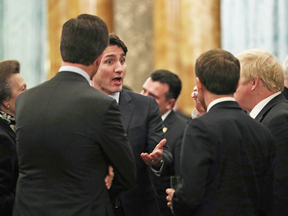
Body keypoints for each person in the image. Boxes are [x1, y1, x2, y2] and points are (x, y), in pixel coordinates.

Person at [12, 14, 136, 216]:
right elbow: (128, 175)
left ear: (63, 49)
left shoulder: (25, 100)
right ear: (98, 56)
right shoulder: (101, 105)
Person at [166, 49, 275, 216]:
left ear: (199, 83)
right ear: (237, 83)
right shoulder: (262, 130)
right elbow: (268, 196)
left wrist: (175, 200)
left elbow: (191, 194)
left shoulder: (199, 128)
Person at [92, 33, 173, 216]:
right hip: (94, 206)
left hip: (138, 208)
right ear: (93, 65)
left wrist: (158, 159)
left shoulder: (145, 105)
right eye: (110, 62)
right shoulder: (78, 105)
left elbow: (163, 151)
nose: (119, 68)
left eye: (122, 60)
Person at [234, 49, 288, 215]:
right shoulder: (265, 115)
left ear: (253, 83)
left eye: (235, 80)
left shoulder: (279, 118)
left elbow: (280, 186)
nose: (229, 87)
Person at [141, 69, 187, 216]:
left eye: (152, 96)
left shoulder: (183, 131)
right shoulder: (132, 121)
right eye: (144, 91)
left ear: (170, 103)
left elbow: (180, 180)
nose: (143, 98)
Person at [0, 60, 26, 216]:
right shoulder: (2, 139)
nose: (29, 94)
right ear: (5, 101)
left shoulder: (14, 127)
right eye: (23, 90)